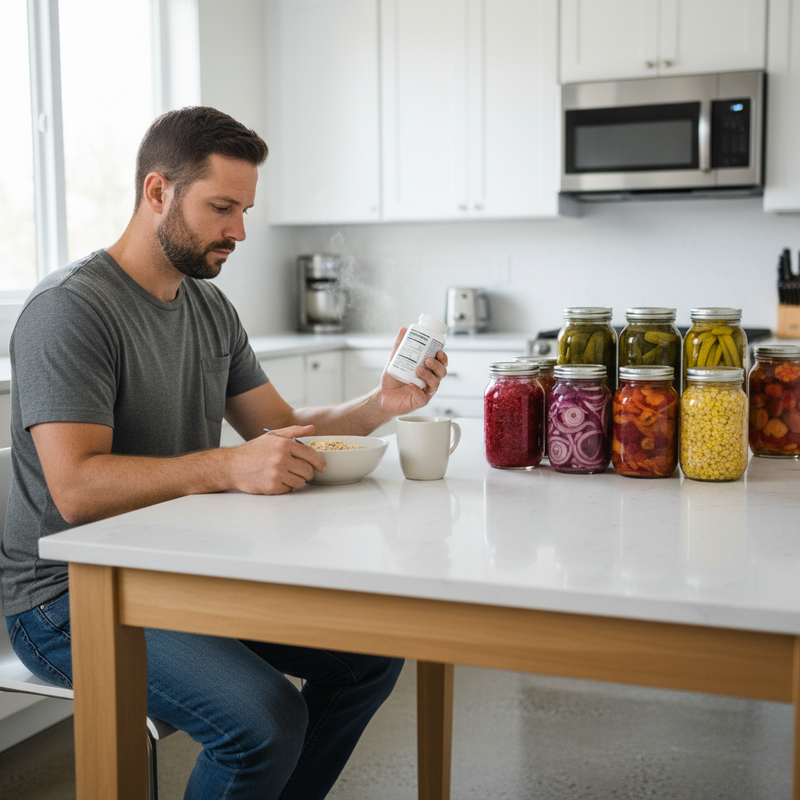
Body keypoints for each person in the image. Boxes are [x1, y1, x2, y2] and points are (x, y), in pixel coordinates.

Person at [1, 106, 448, 799]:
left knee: (368, 656)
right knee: (263, 722)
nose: (238, 231)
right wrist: (224, 466)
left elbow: (280, 425)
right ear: (157, 193)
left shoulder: (208, 308)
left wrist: (378, 405)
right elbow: (77, 489)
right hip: (67, 597)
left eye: (244, 210)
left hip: (171, 567)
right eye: (221, 208)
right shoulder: (70, 310)